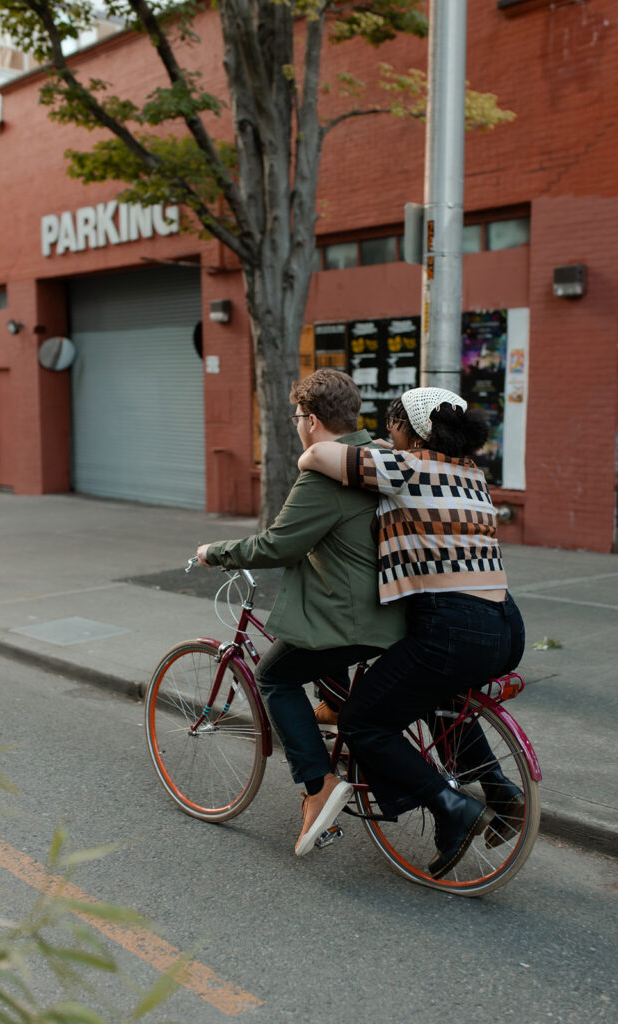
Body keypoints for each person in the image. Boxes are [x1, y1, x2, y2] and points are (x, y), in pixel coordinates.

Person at [298, 386, 526, 878]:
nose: (386, 431)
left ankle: (450, 808)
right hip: (504, 626)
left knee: (362, 721)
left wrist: (317, 455)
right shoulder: (472, 475)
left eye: (392, 422)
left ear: (410, 427)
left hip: (452, 625)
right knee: (429, 694)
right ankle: (501, 789)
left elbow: (317, 452)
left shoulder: (405, 467)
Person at [196, 369, 405, 857]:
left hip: (355, 616)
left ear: (310, 420)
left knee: (274, 677)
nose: (296, 424)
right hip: (390, 607)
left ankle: (318, 785)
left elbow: (278, 543)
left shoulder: (324, 475)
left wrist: (217, 551)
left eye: (296, 416)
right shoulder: (374, 455)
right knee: (309, 642)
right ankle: (335, 707)